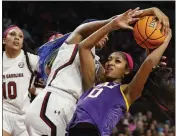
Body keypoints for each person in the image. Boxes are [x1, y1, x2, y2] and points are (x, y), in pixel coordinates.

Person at [66, 9, 172, 136]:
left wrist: (166, 38)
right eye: (109, 59)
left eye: (117, 61)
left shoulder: (127, 92)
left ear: (126, 71)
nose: (110, 63)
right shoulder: (91, 85)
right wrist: (112, 26)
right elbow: (83, 47)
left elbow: (148, 62)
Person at [2, 25, 39, 136]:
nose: (17, 38)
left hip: (24, 116)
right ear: (4, 40)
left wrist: (37, 91)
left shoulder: (30, 59)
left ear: (22, 43)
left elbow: (52, 72)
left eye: (20, 36)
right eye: (12, 34)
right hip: (4, 113)